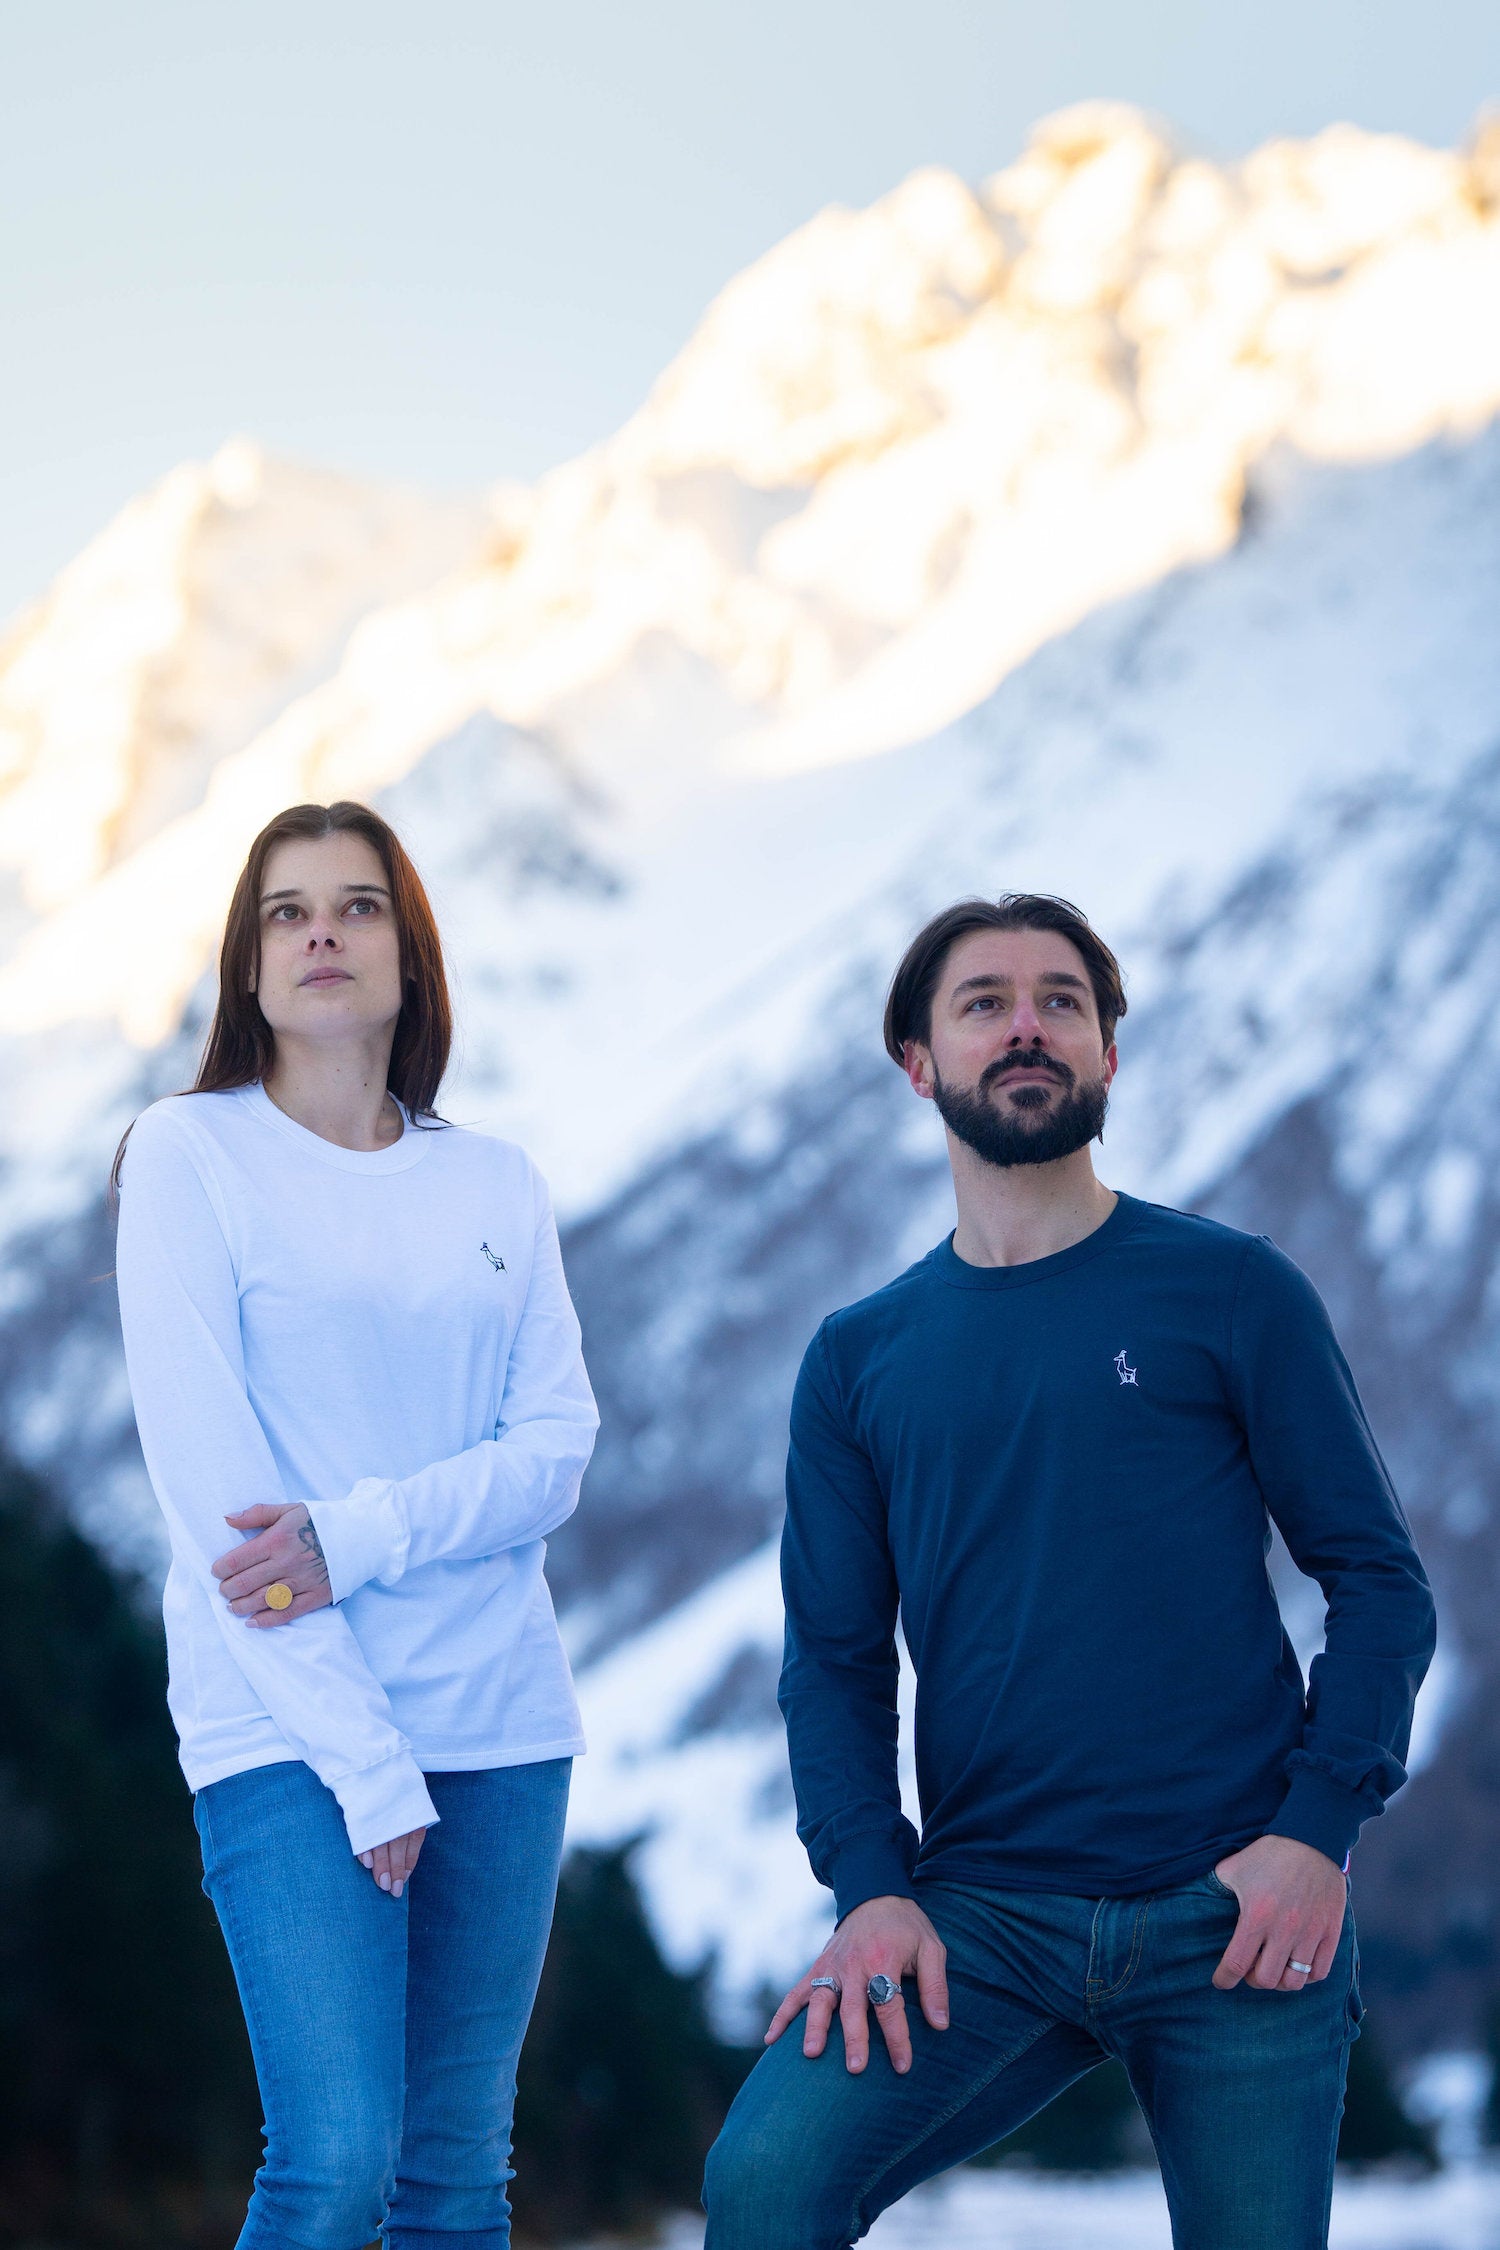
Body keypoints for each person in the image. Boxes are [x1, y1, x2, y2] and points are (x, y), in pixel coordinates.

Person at [703, 893, 1436, 2250]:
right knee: (764, 2185)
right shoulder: (861, 1358)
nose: (1028, 1026)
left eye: (1063, 1002)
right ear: (918, 1060)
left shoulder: (1230, 1289)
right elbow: (837, 1662)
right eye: (984, 1001)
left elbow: (1382, 1582)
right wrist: (871, 1889)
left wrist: (1313, 1836)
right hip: (981, 1920)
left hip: (1237, 1916)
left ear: (1108, 1053)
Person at [113, 800, 597, 2250]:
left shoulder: (495, 1181)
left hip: (503, 1729)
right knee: (334, 2162)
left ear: (410, 955)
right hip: (291, 1732)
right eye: (286, 910)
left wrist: (362, 1530)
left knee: (455, 2180)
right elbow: (223, 1510)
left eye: (358, 904)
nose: (322, 929)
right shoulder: (187, 1155)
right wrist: (370, 1764)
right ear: (250, 969)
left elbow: (557, 1451)